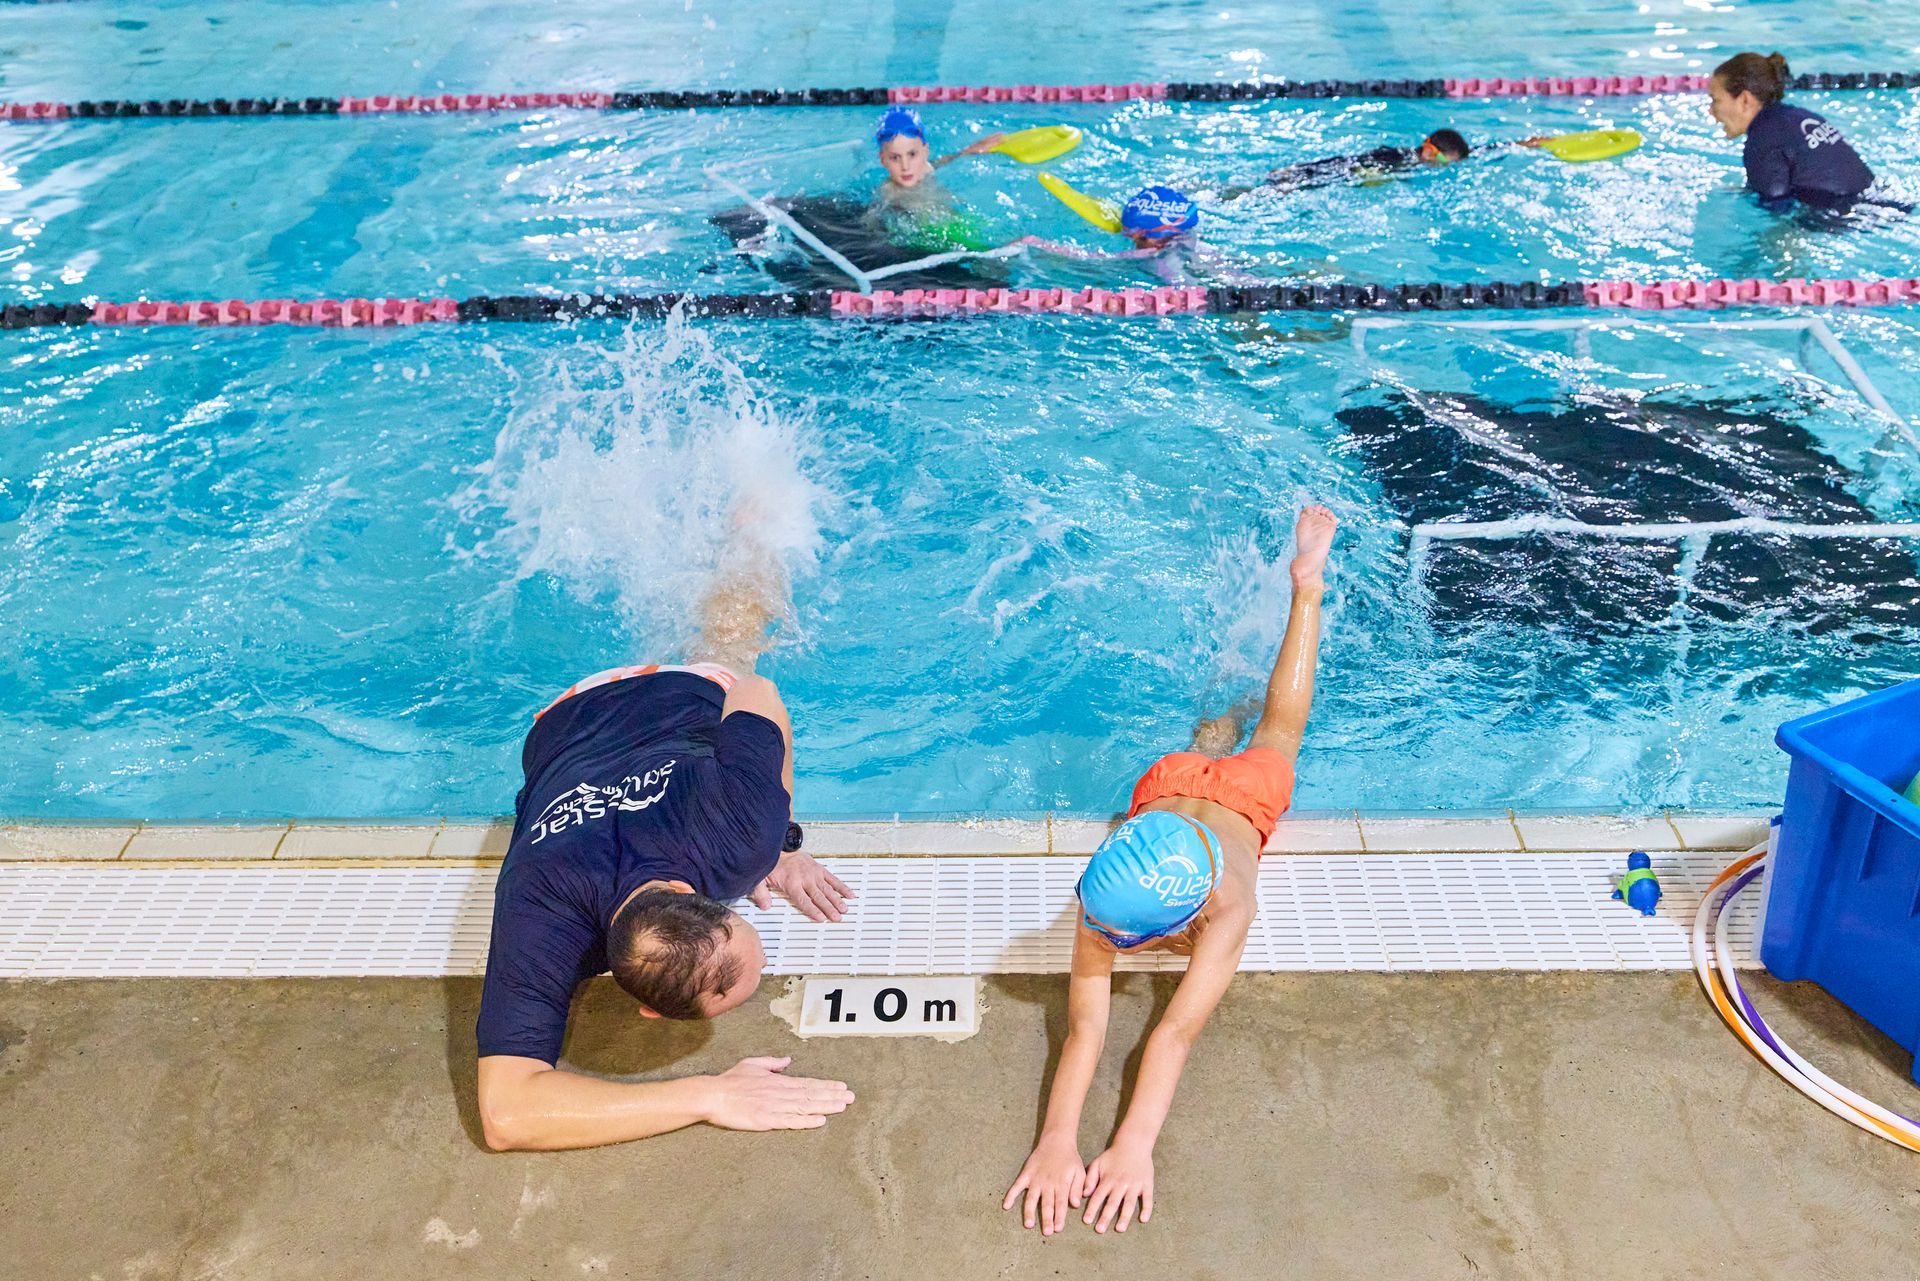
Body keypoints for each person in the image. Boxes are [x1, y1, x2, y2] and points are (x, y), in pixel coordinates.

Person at [1002, 503, 1338, 1235]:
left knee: (1272, 730)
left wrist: (1135, 1143)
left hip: (1197, 790)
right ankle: (1303, 590)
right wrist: (1058, 1139)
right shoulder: (1105, 901)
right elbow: (1102, 1029)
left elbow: (1168, 1033)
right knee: (1277, 727)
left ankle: (1302, 595)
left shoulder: (1231, 906)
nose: (1103, 941)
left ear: (1187, 920)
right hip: (1171, 803)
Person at [474, 533, 857, 1152]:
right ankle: (747, 521)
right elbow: (504, 1118)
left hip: (676, 688)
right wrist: (708, 1094)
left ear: (696, 896)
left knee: (734, 642)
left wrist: (780, 843)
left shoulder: (739, 832)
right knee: (724, 630)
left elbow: (753, 691)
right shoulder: (541, 911)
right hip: (560, 718)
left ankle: (756, 516)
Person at [1707, 51, 1877, 213]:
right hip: (1875, 201)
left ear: (1745, 100)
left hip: (1842, 217)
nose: (1711, 111)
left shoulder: (1762, 141)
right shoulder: (1800, 116)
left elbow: (1778, 211)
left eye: (1716, 100)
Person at [1221, 129, 1470, 198]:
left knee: (1260, 189)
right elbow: (1360, 165)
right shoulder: (1402, 157)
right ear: (1428, 150)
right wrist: (1372, 177)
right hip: (1327, 174)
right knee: (1260, 194)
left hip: (1327, 169)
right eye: (1440, 160)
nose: (1442, 166)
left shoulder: (1411, 159)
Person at [872, 106, 1005, 215]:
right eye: (895, 158)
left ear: (925, 152)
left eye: (912, 154)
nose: (905, 166)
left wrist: (967, 151)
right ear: (883, 160)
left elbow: (940, 162)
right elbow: (872, 219)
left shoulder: (924, 168)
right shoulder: (889, 193)